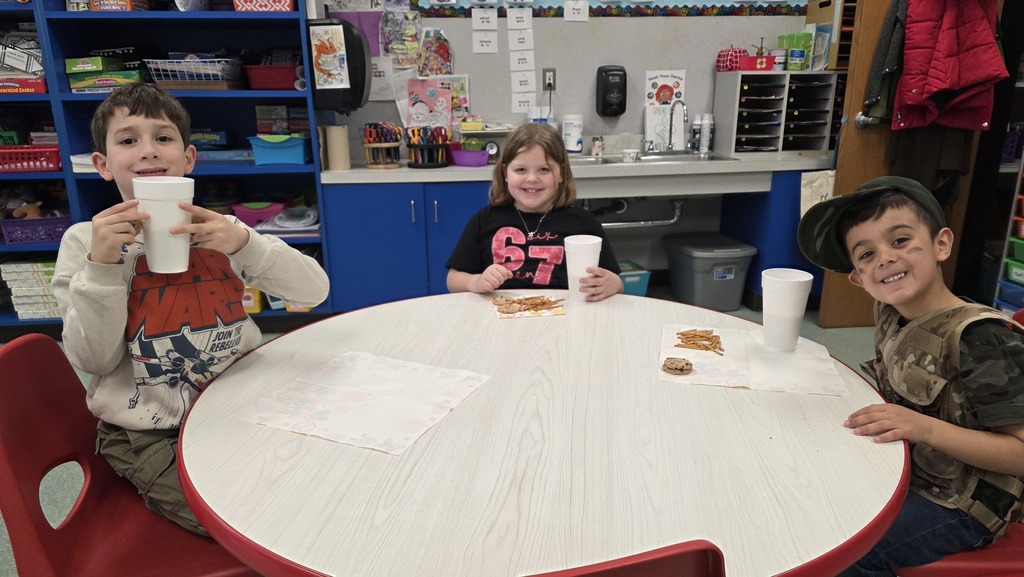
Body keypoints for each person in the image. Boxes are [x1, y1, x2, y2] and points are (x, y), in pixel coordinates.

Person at [51, 82, 330, 535]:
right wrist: (102, 269)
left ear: (189, 159)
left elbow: (314, 291)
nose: (149, 151)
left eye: (163, 138)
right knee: (243, 521)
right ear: (102, 165)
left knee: (311, 481)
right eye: (128, 140)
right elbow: (94, 360)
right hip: (148, 432)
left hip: (238, 405)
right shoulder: (86, 243)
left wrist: (246, 243)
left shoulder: (224, 230)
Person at [796, 176, 1024, 575]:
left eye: (899, 241)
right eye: (865, 255)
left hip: (960, 504)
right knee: (804, 494)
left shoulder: (981, 339)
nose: (883, 258)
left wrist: (923, 428)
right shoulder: (890, 310)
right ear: (858, 279)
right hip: (904, 468)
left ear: (941, 244)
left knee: (841, 552)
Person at [446, 123, 623, 301]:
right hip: (500, 318)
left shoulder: (583, 222)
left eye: (544, 169)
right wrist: (477, 282)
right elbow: (453, 280)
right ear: (505, 172)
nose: (532, 179)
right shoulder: (484, 220)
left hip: (566, 317)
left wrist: (612, 284)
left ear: (561, 173)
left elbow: (616, 282)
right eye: (520, 169)